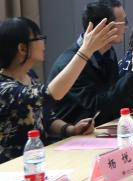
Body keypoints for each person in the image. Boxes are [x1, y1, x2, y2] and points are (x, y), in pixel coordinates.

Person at [0, 17, 119, 160]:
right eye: (39, 38)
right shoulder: (4, 88)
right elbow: (49, 95)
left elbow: (45, 117)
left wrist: (70, 129)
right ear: (22, 48)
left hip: (38, 159)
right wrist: (86, 51)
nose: (43, 42)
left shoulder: (29, 76)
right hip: (12, 166)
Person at [49, 0, 133, 126]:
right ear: (105, 27)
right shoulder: (71, 63)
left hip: (100, 129)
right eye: (124, 22)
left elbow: (110, 95)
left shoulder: (108, 52)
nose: (126, 27)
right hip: (73, 135)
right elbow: (99, 107)